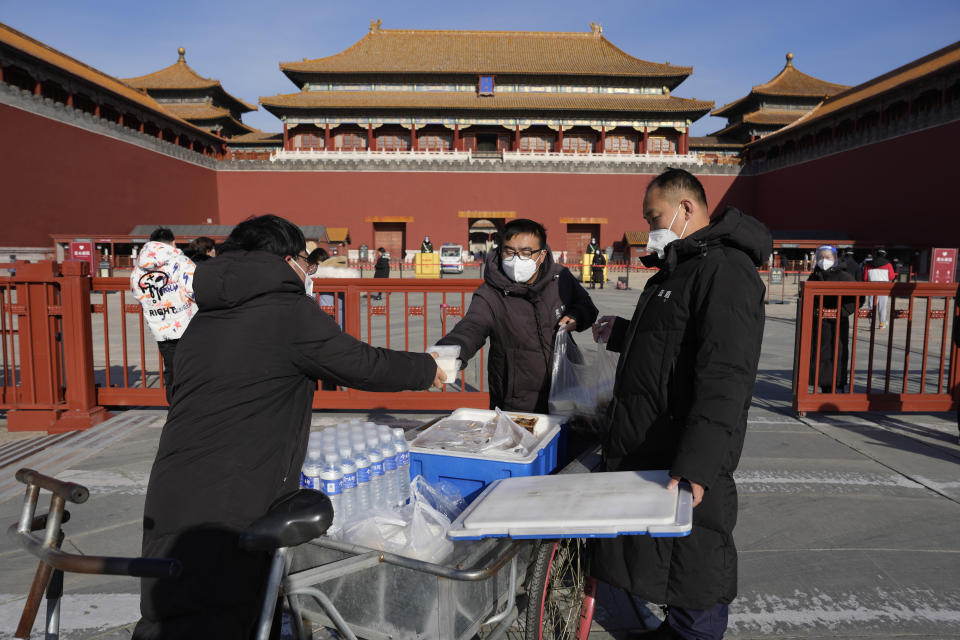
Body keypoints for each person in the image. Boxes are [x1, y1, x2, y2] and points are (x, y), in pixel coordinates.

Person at [134, 215, 444, 639]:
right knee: (226, 611)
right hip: (235, 493)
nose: (309, 271)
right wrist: (427, 368)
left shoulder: (202, 316)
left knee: (169, 610)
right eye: (306, 261)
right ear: (289, 259)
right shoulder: (285, 309)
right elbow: (363, 364)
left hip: (172, 489)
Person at [591, 169, 770, 640]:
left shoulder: (726, 270)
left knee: (695, 565)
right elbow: (675, 343)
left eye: (654, 216)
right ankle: (675, 629)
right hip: (661, 437)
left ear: (685, 208)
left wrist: (698, 462)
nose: (651, 227)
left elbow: (725, 374)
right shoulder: (682, 265)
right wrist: (624, 336)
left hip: (690, 448)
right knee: (671, 560)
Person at [435, 218, 598, 412]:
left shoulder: (560, 278)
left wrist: (576, 316)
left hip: (567, 388)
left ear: (542, 254)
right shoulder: (490, 293)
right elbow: (472, 326)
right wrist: (446, 353)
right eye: (509, 252)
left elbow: (586, 305)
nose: (516, 259)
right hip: (517, 400)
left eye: (526, 252)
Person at [130, 227, 197, 403]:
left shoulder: (138, 268)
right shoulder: (181, 261)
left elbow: (137, 293)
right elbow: (195, 289)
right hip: (188, 326)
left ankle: (174, 410)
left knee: (172, 371)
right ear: (172, 242)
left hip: (161, 328)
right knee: (194, 371)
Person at [807, 245, 857, 393]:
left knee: (837, 353)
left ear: (834, 259)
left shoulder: (844, 276)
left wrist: (842, 311)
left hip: (837, 323)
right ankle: (823, 385)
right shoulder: (815, 275)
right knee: (819, 354)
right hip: (818, 323)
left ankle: (837, 385)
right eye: (821, 257)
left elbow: (857, 298)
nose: (824, 260)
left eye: (827, 257)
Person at [865, 248, 896, 329]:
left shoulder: (868, 264)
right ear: (884, 255)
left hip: (872, 288)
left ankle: (872, 324)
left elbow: (865, 278)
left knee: (871, 306)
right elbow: (892, 276)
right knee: (882, 307)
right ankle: (882, 323)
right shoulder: (888, 264)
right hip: (883, 288)